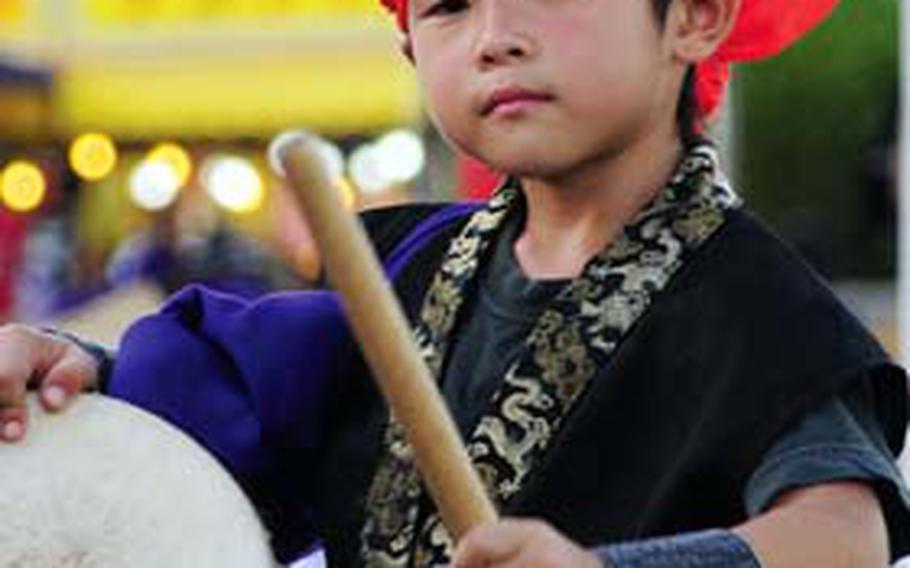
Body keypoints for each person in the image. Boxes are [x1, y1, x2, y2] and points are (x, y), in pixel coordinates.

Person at [0, 0, 908, 566]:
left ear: (697, 15)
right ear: (409, 48)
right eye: (447, 5)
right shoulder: (390, 270)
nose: (495, 38)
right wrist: (66, 370)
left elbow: (841, 538)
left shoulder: (766, 313)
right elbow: (197, 413)